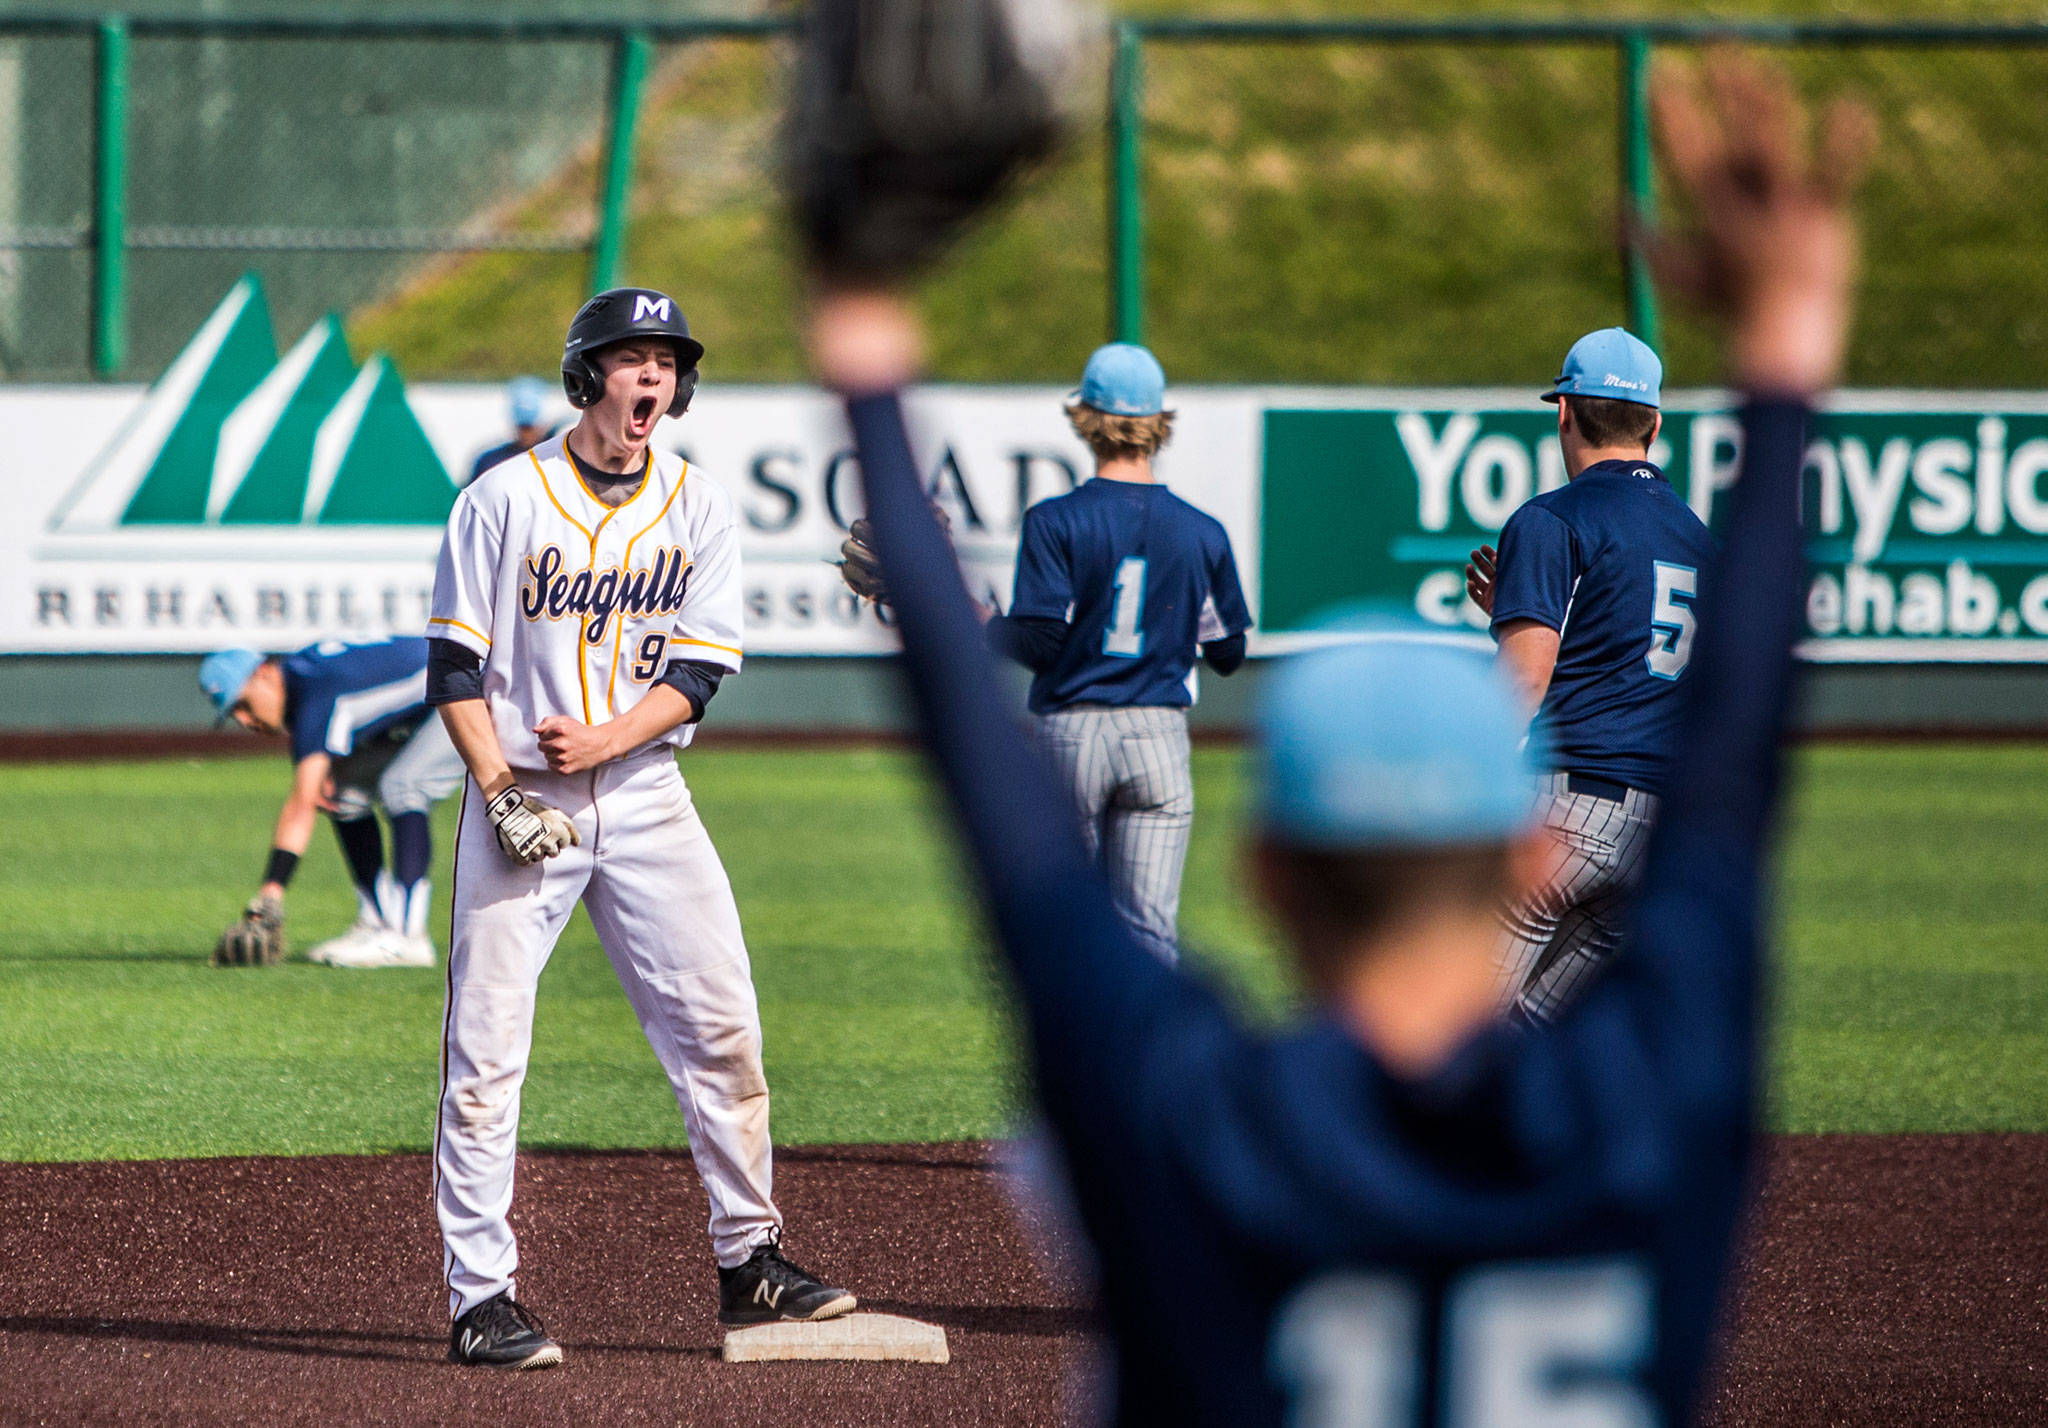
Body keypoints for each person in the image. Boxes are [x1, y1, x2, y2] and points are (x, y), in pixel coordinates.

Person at [792, 2, 1868, 1420]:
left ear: (1275, 878)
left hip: (1504, 783)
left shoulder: (1196, 1127)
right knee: (1553, 1045)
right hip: (1620, 806)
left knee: (1142, 959)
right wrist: (1789, 358)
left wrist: (862, 341)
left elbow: (1016, 836)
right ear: (1514, 845)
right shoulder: (1654, 1108)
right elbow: (1733, 752)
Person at [425, 285, 853, 1370]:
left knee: (721, 1026)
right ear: (587, 377)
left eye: (666, 358)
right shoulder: (502, 500)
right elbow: (455, 669)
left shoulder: (696, 503)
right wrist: (501, 787)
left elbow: (701, 669)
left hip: (648, 792)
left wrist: (611, 739)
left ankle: (750, 1259)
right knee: (484, 1058)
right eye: (630, 357)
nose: (651, 375)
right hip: (522, 799)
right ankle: (482, 1298)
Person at [1461, 328, 1716, 1022]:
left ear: (1564, 413)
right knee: (1530, 1043)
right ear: (1655, 425)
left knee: (1452, 1025)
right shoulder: (1697, 535)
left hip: (1568, 811)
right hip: (1654, 837)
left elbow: (1522, 682)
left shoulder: (1552, 518)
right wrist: (1523, 609)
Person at [981, 343, 1250, 961]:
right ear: (1159, 423)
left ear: (1086, 419)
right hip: (1159, 733)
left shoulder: (1056, 519)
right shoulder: (1200, 529)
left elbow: (1044, 642)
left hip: (1073, 733)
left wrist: (984, 622)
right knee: (1151, 935)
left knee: (1063, 928)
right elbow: (1229, 652)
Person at [199, 638, 464, 969]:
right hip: (441, 693)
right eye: (233, 714)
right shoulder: (302, 677)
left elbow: (301, 805)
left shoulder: (313, 692)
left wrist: (271, 892)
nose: (244, 721)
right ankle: (377, 924)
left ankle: (408, 937)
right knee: (342, 791)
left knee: (404, 785)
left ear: (265, 673)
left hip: (474, 690)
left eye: (244, 705)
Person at [465, 375, 553, 487]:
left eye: (529, 428)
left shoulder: (556, 460)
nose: (526, 434)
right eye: (522, 427)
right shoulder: (490, 462)